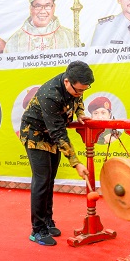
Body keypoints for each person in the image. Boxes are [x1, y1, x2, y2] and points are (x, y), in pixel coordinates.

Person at [20, 61, 93, 246]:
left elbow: (77, 99)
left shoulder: (75, 86)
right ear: (67, 82)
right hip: (34, 135)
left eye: (84, 90)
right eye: (78, 90)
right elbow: (59, 133)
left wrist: (80, 113)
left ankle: (47, 221)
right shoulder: (50, 95)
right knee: (42, 180)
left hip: (51, 133)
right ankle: (37, 230)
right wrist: (76, 162)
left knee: (50, 179)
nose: (80, 93)